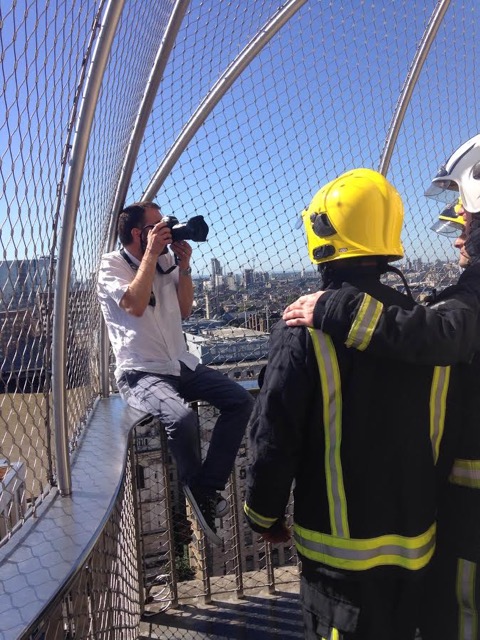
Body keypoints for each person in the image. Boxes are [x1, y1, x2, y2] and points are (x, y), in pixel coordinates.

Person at [243, 168, 457, 640]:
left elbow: (274, 434)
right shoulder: (428, 331)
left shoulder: (305, 330)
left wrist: (264, 514)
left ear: (321, 234)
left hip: (340, 559)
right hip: (418, 543)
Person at [97, 201, 254, 546]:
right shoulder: (111, 266)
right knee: (181, 418)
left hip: (180, 364)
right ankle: (198, 492)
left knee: (240, 401)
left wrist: (183, 267)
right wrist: (152, 255)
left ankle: (205, 489)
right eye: (158, 226)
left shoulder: (166, 261)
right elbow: (134, 305)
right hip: (141, 372)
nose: (166, 230)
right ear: (139, 233)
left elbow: (184, 310)